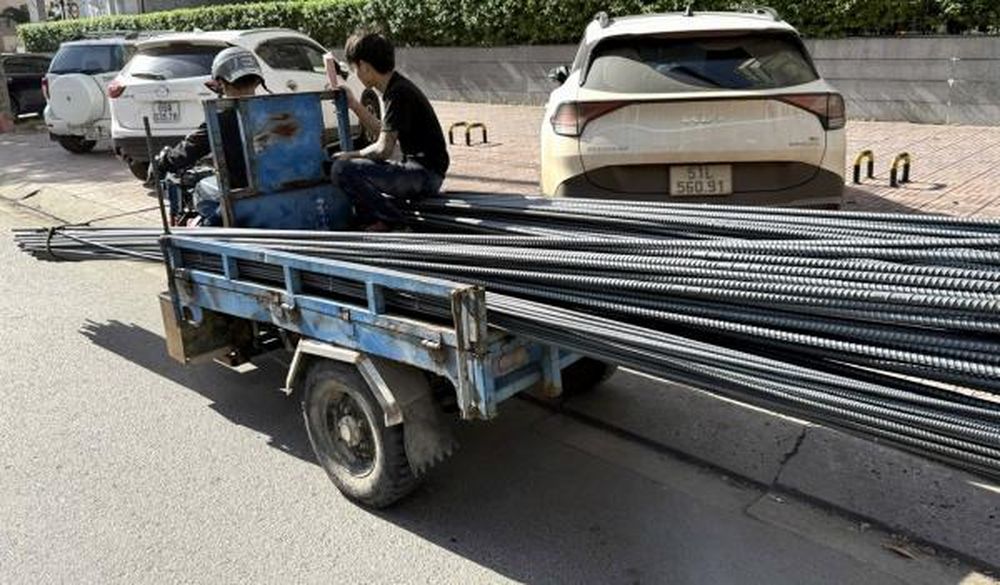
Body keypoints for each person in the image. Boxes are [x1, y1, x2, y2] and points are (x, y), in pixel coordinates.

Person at [328, 31, 449, 231]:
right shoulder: (396, 87)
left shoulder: (398, 93)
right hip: (425, 172)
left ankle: (393, 222)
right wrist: (354, 105)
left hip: (424, 176)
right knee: (350, 166)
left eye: (355, 68)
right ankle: (381, 218)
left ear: (364, 66)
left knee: (342, 169)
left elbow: (383, 149)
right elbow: (384, 132)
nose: (356, 74)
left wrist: (349, 155)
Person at [147, 46, 264, 184]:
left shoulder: (223, 118)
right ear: (257, 81)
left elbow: (190, 149)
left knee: (199, 188)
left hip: (241, 188)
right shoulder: (277, 111)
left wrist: (163, 162)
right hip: (281, 185)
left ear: (220, 83)